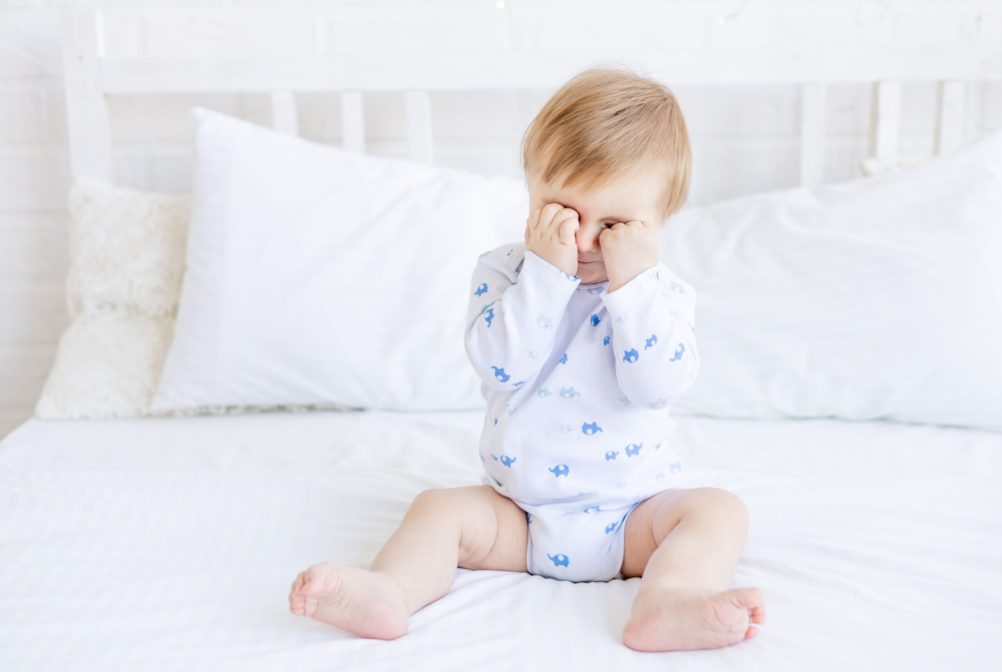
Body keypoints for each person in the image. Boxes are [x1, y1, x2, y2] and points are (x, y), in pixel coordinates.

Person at [288, 65, 765, 652]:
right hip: (518, 516)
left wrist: (633, 287)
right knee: (438, 509)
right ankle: (391, 591)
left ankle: (667, 602)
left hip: (633, 518)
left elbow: (655, 387)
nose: (586, 241)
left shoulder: (661, 296)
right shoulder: (506, 273)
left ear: (658, 222)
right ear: (531, 190)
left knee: (719, 512)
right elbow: (502, 367)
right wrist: (545, 273)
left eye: (615, 224)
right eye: (562, 213)